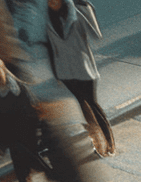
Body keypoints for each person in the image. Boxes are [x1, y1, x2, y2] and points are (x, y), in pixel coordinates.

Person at [44, 0, 114, 158]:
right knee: (82, 104)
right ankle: (96, 139)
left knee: (92, 104)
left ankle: (109, 141)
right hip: (65, 72)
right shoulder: (47, 18)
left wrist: (85, 7)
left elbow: (96, 34)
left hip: (83, 68)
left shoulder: (78, 11)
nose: (51, 2)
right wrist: (57, 74)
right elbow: (49, 47)